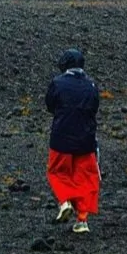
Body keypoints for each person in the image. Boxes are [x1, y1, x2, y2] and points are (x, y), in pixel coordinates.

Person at [45, 48, 101, 234]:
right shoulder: (91, 85)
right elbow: (94, 107)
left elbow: (50, 105)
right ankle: (82, 221)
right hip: (86, 139)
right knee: (85, 178)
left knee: (57, 171)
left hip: (62, 137)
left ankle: (65, 201)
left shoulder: (58, 83)